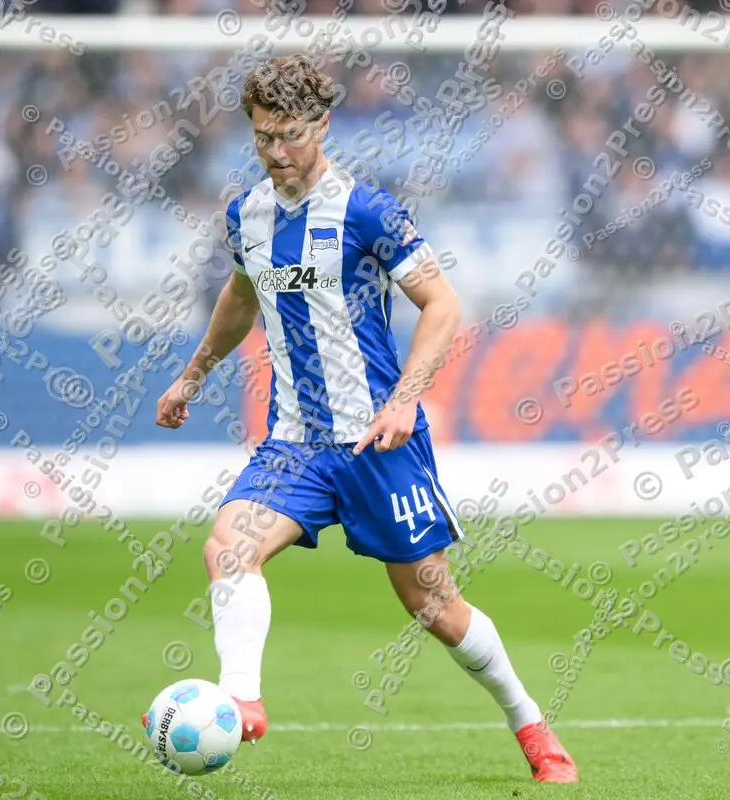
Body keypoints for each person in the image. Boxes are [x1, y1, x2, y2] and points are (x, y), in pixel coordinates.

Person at [149, 54, 578, 784]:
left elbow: (442, 307)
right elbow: (243, 296)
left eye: (289, 135)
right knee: (228, 546)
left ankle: (529, 721)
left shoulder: (367, 210)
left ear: (321, 125)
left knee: (433, 604)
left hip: (378, 441)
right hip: (296, 443)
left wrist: (406, 396)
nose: (276, 152)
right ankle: (241, 699)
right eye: (262, 137)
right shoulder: (245, 214)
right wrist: (194, 373)